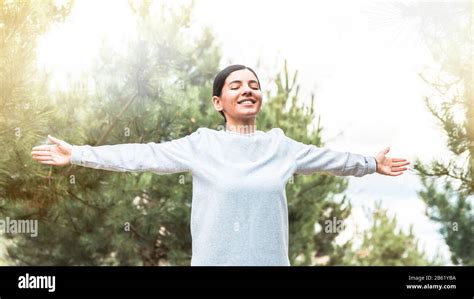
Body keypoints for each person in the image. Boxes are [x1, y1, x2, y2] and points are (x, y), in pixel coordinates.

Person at [31, 64, 410, 266]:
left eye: (253, 84)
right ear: (218, 102)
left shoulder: (281, 147)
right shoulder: (202, 145)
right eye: (235, 85)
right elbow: (142, 154)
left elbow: (331, 159)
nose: (247, 89)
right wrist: (78, 153)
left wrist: (370, 163)